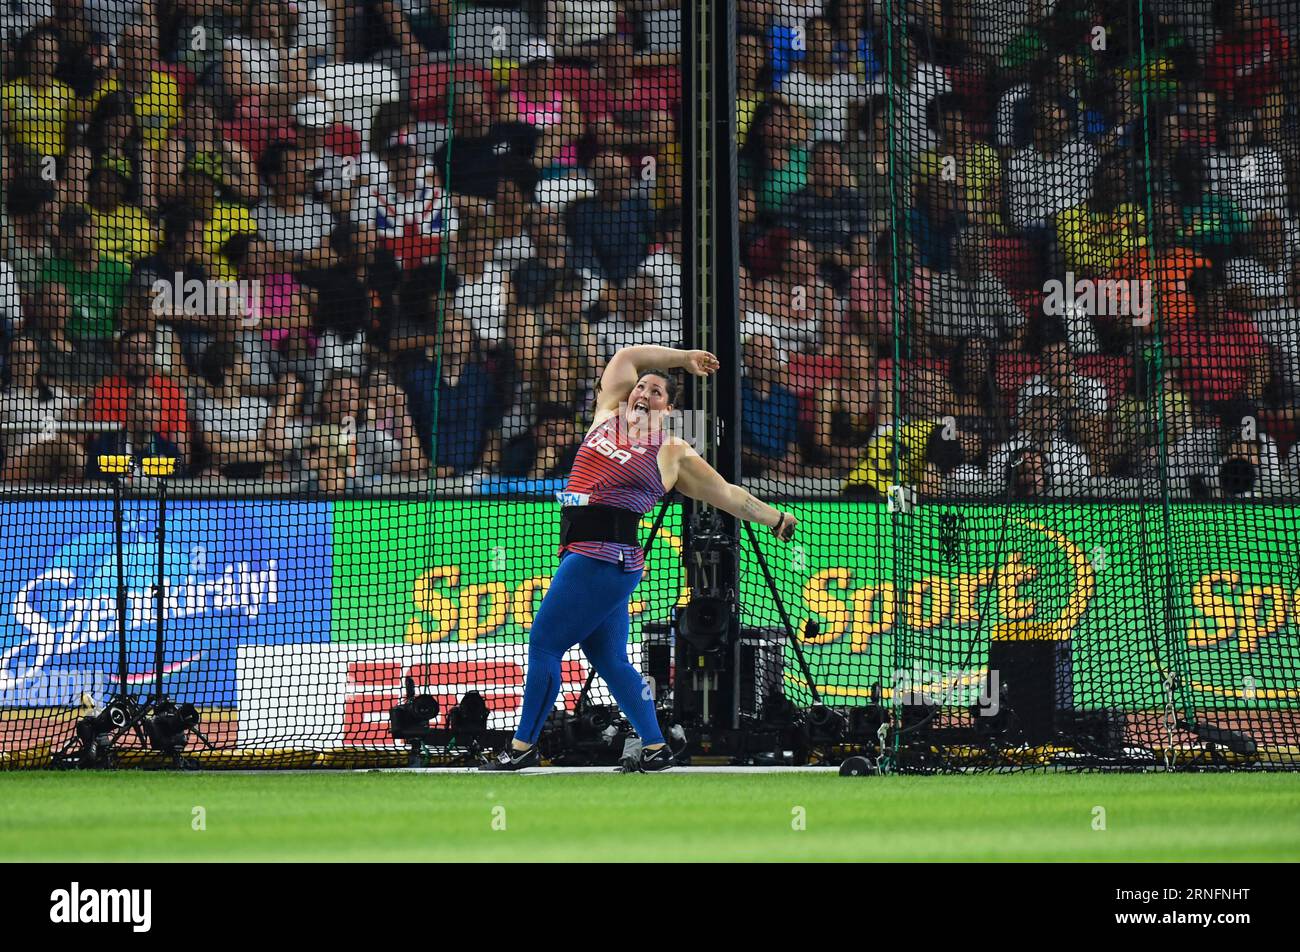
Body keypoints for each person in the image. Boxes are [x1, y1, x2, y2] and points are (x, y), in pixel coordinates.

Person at [483, 344, 799, 771]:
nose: (645, 393)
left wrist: (773, 516)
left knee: (543, 644)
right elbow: (629, 356)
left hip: (605, 558)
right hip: (586, 554)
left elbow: (727, 494)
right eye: (644, 387)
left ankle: (521, 749)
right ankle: (655, 747)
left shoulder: (670, 450)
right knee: (610, 659)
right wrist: (684, 359)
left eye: (657, 393)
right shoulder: (606, 414)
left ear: (668, 409)